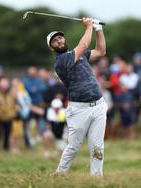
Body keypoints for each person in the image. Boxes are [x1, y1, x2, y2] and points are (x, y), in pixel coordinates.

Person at [47, 17, 107, 176]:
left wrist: (98, 28)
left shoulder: (79, 55)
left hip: (99, 105)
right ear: (52, 48)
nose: (59, 41)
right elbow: (84, 45)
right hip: (79, 110)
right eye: (54, 41)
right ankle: (59, 176)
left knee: (97, 147)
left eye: (60, 37)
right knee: (73, 147)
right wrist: (88, 26)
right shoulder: (61, 61)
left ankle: (97, 180)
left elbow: (101, 51)